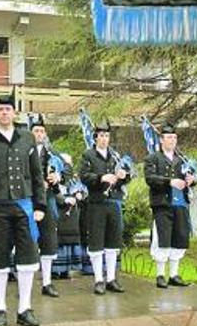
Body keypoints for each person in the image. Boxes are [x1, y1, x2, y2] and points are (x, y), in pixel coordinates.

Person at [0, 90, 46, 326]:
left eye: (8, 109)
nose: (4, 113)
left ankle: (24, 309)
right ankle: (1, 309)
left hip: (24, 206)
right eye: (0, 109)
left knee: (27, 258)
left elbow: (37, 174)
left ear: (15, 112)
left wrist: (40, 204)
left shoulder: (27, 138)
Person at [79, 119, 132, 295]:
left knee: (112, 242)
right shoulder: (88, 155)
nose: (104, 139)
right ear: (95, 138)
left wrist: (124, 176)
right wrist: (101, 177)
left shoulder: (115, 156)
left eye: (107, 135)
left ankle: (111, 279)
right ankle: (98, 280)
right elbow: (84, 177)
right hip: (96, 203)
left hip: (114, 203)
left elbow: (126, 177)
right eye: (101, 135)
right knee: (96, 242)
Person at [143, 123, 197, 288]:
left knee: (179, 238)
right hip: (163, 205)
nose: (172, 140)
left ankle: (174, 274)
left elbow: (195, 175)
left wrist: (193, 179)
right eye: (168, 137)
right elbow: (150, 179)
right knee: (162, 239)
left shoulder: (183, 159)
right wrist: (170, 182)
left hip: (181, 204)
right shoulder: (152, 158)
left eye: (174, 137)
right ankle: (160, 275)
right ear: (161, 140)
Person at [29, 113, 73, 298]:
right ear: (30, 132)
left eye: (42, 131)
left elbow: (68, 170)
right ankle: (27, 283)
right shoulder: (23, 152)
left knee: (48, 242)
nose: (39, 134)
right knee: (27, 241)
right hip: (28, 201)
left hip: (47, 201)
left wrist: (58, 177)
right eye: (36, 130)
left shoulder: (52, 153)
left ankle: (47, 283)